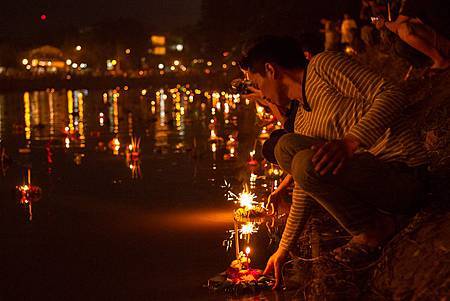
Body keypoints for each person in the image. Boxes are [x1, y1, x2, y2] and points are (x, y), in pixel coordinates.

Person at [238, 35, 428, 289]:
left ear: (271, 70)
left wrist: (351, 141)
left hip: (403, 173)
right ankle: (370, 223)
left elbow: (393, 94)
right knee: (287, 147)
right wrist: (283, 248)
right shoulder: (302, 120)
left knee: (297, 153)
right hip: (371, 183)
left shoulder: (323, 66)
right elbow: (308, 181)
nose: (260, 93)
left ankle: (373, 231)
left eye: (256, 82)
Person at [373, 0, 450, 71]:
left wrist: (384, 23)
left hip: (446, 42)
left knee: (403, 30)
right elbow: (420, 20)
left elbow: (396, 27)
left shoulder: (412, 2)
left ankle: (439, 60)